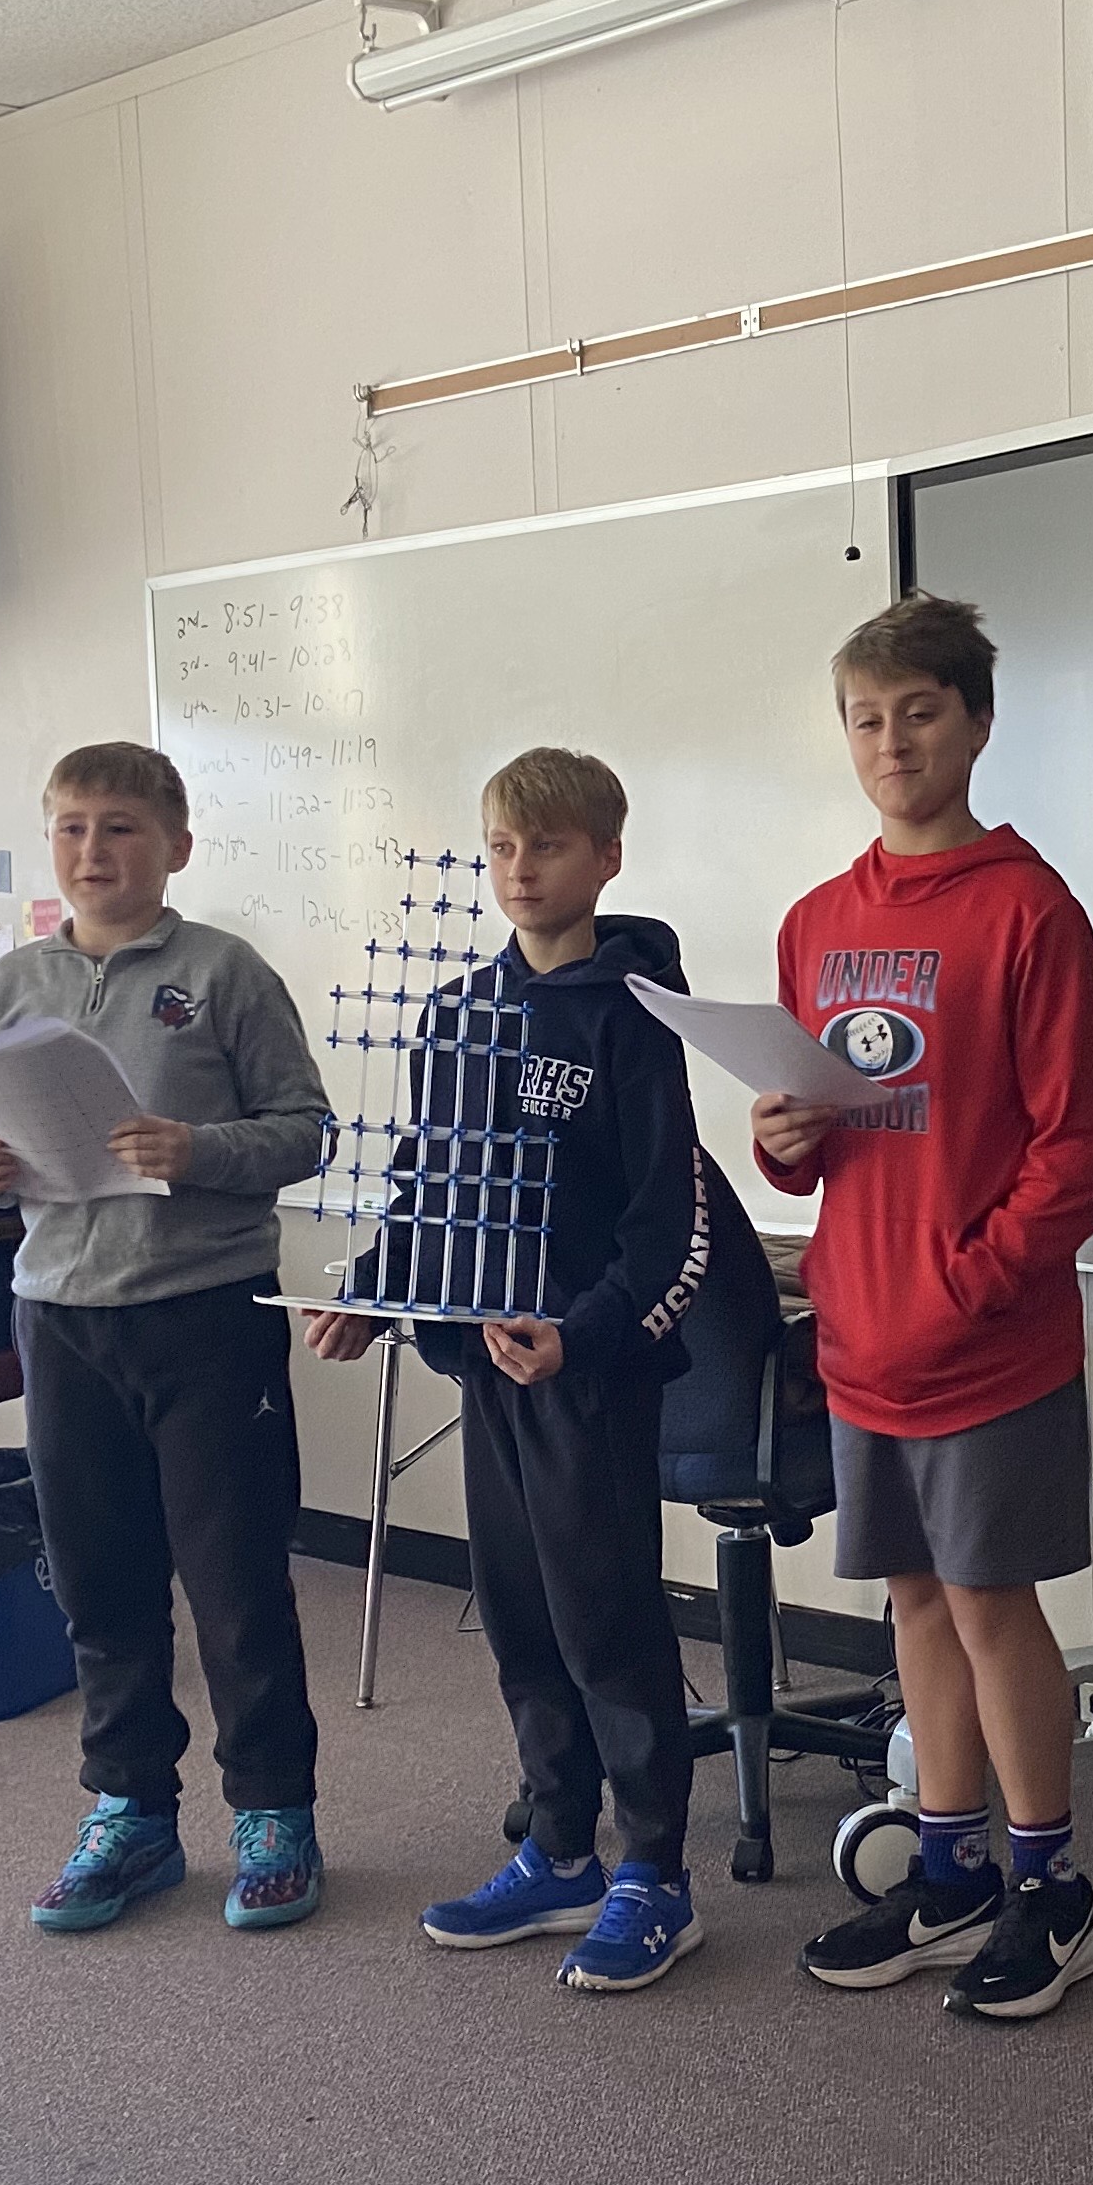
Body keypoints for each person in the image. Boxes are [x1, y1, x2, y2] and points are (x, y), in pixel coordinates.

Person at [756, 593, 1093, 2021]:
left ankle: (1050, 1887)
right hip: (861, 1335)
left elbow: (1080, 1147)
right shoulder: (817, 919)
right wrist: (785, 1142)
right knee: (914, 1597)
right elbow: (822, 1127)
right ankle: (955, 1867)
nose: (892, 741)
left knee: (989, 1601)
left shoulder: (1028, 908)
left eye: (921, 713)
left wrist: (973, 1282)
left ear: (975, 722)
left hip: (984, 1339)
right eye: (867, 718)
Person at [308, 748, 720, 1993]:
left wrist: (581, 1336)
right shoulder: (457, 1016)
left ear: (605, 858)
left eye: (546, 847)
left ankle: (655, 1869)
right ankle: (557, 1848)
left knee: (607, 1618)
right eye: (500, 849)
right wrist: (378, 1294)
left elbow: (667, 1223)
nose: (521, 870)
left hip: (584, 1369)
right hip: (486, 1361)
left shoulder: (638, 1017)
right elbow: (432, 1185)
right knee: (521, 1614)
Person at [0, 741, 336, 1939]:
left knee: (233, 1582)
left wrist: (198, 1150)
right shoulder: (14, 983)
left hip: (203, 1311)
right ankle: (131, 1812)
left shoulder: (223, 972)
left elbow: (305, 1129)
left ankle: (273, 1812)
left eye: (118, 828)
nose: (91, 852)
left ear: (173, 845)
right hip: (61, 1312)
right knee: (100, 1582)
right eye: (70, 828)